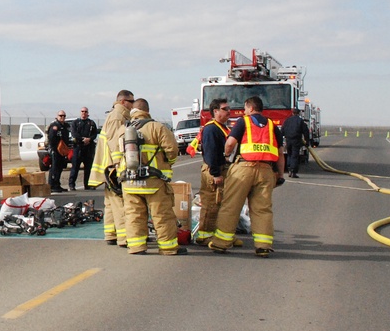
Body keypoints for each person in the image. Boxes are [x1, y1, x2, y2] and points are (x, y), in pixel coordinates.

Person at [208, 96, 285, 257]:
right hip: (266, 171)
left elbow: (230, 143)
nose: (244, 111)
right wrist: (279, 174)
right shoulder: (272, 125)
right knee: (262, 209)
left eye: (245, 109)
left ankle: (221, 243)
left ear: (250, 108)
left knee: (231, 205)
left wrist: (227, 156)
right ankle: (263, 245)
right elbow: (280, 153)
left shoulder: (244, 122)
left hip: (244, 168)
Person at [114, 98, 183, 255]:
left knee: (133, 216)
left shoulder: (122, 130)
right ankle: (168, 248)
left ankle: (137, 247)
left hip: (129, 182)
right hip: (153, 181)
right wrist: (166, 164)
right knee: (162, 215)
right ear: (147, 111)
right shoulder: (157, 127)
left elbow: (116, 156)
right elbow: (172, 151)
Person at [192, 98, 241, 247]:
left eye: (229, 109)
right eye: (225, 109)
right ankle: (204, 236)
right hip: (214, 171)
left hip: (223, 170)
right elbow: (212, 153)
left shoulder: (223, 128)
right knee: (211, 204)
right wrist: (215, 174)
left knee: (222, 205)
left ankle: (221, 235)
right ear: (215, 111)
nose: (229, 112)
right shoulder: (211, 128)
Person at [88, 90, 134, 246]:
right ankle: (124, 237)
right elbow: (116, 143)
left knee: (110, 203)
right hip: (113, 168)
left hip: (108, 167)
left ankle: (110, 234)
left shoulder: (116, 115)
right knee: (120, 203)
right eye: (131, 101)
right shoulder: (117, 117)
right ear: (122, 101)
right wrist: (119, 166)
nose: (132, 105)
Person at [69, 107, 99, 191]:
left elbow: (94, 134)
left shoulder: (91, 123)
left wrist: (89, 139)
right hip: (78, 148)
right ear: (80, 112)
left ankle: (87, 184)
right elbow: (74, 133)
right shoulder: (75, 122)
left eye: (85, 112)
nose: (84, 113)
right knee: (75, 167)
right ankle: (71, 185)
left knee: (88, 168)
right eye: (82, 111)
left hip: (88, 148)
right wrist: (83, 139)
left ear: (88, 113)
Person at [46, 110, 72, 192]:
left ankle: (57, 184)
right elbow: (51, 139)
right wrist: (54, 149)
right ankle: (52, 185)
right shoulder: (54, 126)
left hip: (62, 151)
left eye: (64, 116)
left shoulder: (65, 126)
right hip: (55, 150)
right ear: (57, 116)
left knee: (60, 168)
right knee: (54, 168)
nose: (62, 117)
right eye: (60, 116)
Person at [281, 109, 310, 178]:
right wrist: (307, 141)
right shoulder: (300, 121)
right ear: (299, 113)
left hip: (288, 140)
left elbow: (282, 130)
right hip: (296, 140)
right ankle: (293, 171)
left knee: (289, 155)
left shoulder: (287, 120)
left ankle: (289, 169)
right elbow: (306, 132)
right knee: (295, 155)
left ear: (292, 113)